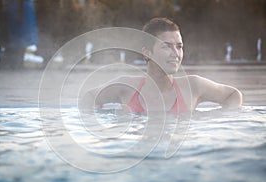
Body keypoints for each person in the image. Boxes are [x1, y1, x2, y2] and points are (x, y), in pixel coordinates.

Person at [79, 18, 242, 114]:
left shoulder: (193, 86)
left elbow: (234, 95)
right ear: (147, 53)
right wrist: (103, 117)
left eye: (179, 46)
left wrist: (214, 117)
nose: (176, 54)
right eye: (166, 46)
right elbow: (87, 98)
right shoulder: (126, 87)